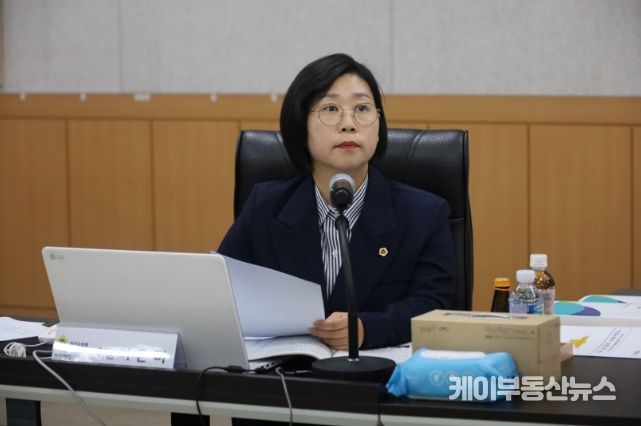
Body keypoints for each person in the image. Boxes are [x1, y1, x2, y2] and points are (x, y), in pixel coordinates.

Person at [219, 53, 456, 351]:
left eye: (362, 108)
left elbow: (436, 306)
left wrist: (369, 328)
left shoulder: (425, 214)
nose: (348, 124)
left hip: (380, 373)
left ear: (379, 124)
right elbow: (221, 293)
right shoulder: (265, 207)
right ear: (300, 124)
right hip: (284, 372)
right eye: (330, 109)